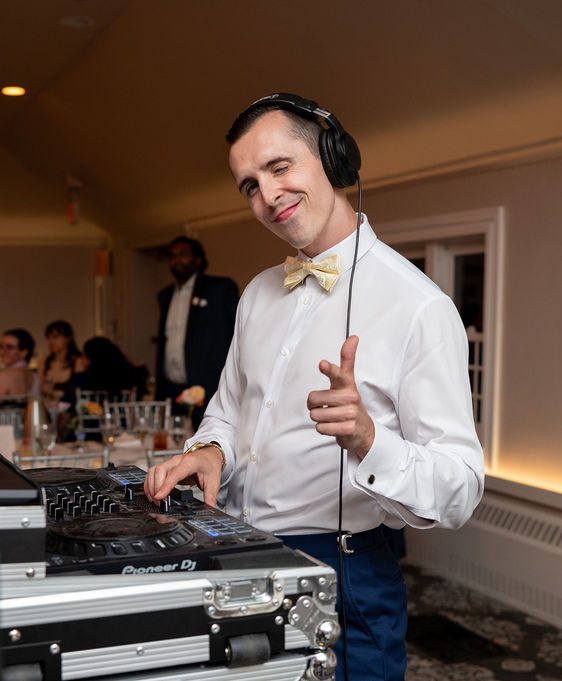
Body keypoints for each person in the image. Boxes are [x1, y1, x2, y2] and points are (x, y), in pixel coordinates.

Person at [144, 94, 485, 680]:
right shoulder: (256, 294)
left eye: (280, 168)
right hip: (240, 554)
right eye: (250, 185)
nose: (268, 195)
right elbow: (227, 411)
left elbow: (462, 488)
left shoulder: (419, 306)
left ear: (333, 158)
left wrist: (369, 440)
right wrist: (211, 451)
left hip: (346, 571)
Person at [154, 237, 239, 428]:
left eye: (183, 254)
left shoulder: (219, 289)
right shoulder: (165, 295)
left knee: (207, 443)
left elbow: (240, 332)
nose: (177, 260)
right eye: (172, 256)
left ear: (198, 260)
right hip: (172, 391)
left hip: (208, 391)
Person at [35, 320, 82, 408]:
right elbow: (38, 390)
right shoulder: (44, 362)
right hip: (49, 408)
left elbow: (78, 391)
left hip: (70, 409)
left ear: (68, 338)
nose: (51, 341)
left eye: (55, 337)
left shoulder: (78, 362)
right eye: (48, 338)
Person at [0, 328, 36, 397]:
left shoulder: (4, 375)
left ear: (24, 352)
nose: (2, 351)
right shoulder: (34, 376)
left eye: (9, 347)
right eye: (1, 346)